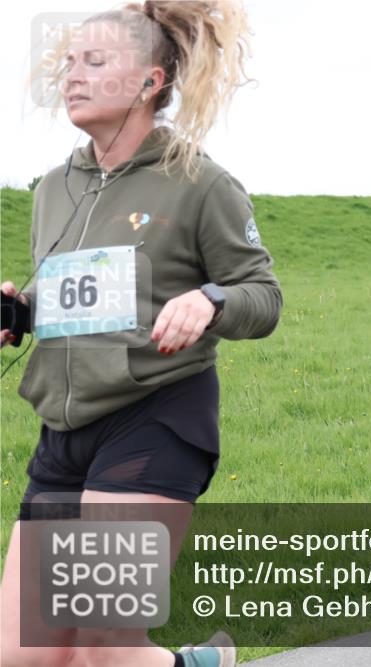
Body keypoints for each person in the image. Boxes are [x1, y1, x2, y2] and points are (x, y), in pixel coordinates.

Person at [0, 2, 281, 666]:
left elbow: (262, 295)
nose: (72, 75)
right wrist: (18, 313)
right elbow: (82, 297)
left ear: (151, 81)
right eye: (70, 62)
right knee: (25, 655)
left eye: (95, 62)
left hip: (154, 420)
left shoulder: (200, 182)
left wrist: (210, 300)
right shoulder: (53, 188)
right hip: (64, 432)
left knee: (102, 645)